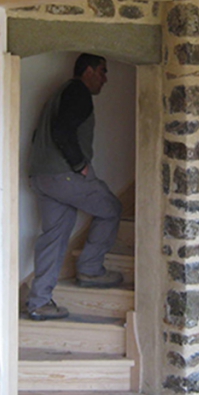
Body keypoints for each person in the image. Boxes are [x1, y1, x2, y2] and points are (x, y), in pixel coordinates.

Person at [26, 53, 124, 321]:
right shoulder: (78, 92)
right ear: (89, 70)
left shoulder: (59, 93)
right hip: (64, 175)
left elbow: (42, 133)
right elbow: (62, 129)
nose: (105, 79)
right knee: (111, 208)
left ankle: (39, 302)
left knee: (55, 236)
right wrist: (79, 164)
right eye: (103, 71)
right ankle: (91, 269)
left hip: (41, 176)